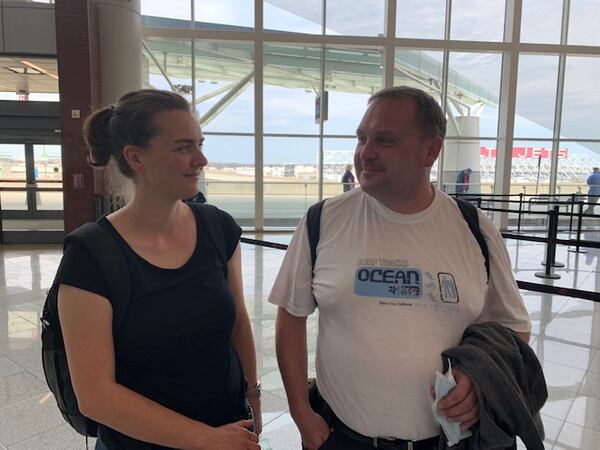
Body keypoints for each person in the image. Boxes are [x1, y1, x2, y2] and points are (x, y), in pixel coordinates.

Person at [269, 86, 531, 450]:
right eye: (362, 138)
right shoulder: (323, 221)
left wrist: (480, 382)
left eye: (385, 140)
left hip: (447, 442)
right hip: (341, 437)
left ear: (431, 150)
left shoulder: (474, 229)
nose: (365, 153)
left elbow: (514, 327)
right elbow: (291, 316)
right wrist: (302, 415)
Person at [56, 89, 261, 450]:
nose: (201, 159)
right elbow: (95, 395)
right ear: (136, 157)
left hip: (230, 432)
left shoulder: (218, 227)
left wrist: (253, 398)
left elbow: (239, 323)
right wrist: (205, 439)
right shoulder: (90, 254)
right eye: (184, 147)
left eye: (199, 143)